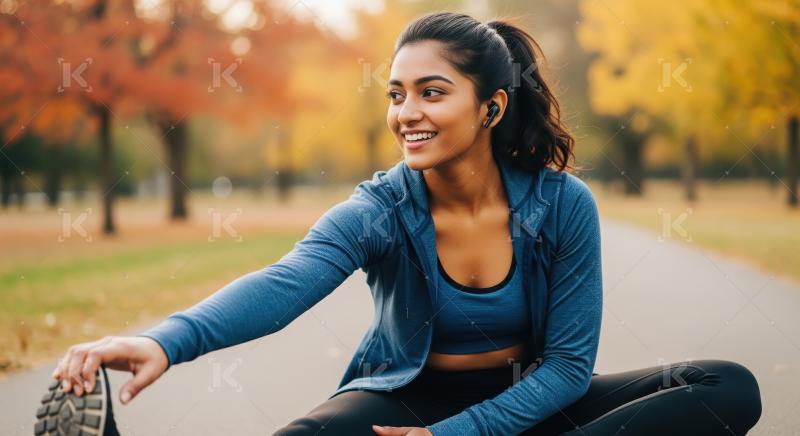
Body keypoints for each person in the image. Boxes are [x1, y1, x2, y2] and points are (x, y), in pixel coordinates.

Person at [46, 11, 762, 436]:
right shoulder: (380, 209)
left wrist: (463, 434)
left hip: (532, 402)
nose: (406, 113)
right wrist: (163, 341)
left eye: (432, 92)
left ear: (492, 107)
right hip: (404, 401)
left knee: (726, 386)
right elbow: (284, 284)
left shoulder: (562, 205)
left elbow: (570, 369)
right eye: (396, 94)